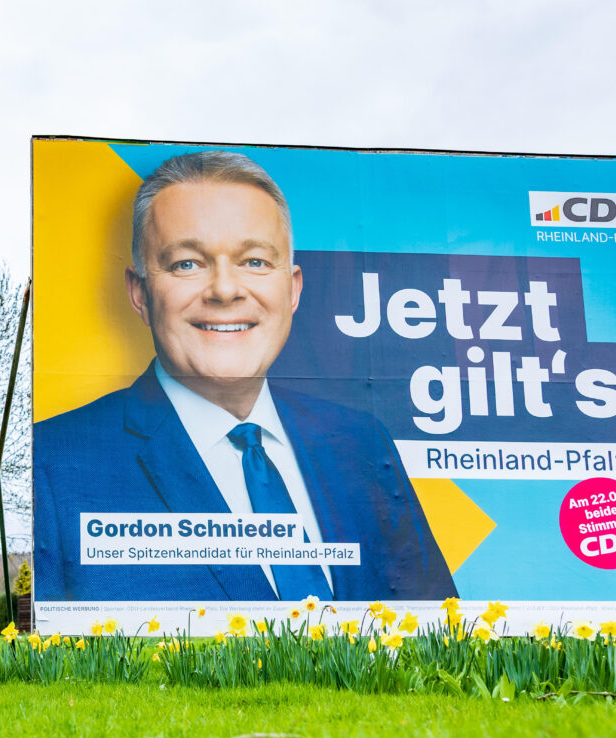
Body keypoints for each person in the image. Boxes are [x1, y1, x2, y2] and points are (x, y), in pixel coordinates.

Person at [34, 151, 455, 602]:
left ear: (292, 289)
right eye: (187, 264)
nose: (225, 290)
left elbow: (443, 643)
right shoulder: (55, 464)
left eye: (254, 261)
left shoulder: (363, 443)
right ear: (139, 293)